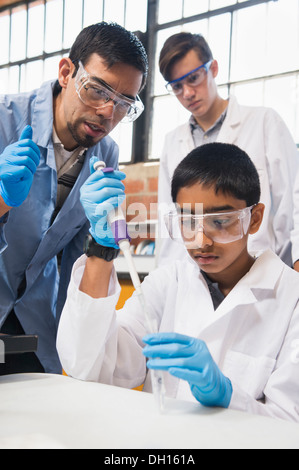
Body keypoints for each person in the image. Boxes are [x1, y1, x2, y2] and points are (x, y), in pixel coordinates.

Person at [57, 143, 299, 423]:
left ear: (254, 219)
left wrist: (228, 396)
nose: (202, 241)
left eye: (220, 221)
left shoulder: (292, 299)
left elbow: (290, 425)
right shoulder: (167, 282)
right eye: (188, 221)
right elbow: (91, 368)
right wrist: (100, 249)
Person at [0, 22, 148, 374]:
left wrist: (76, 346)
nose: (107, 113)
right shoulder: (5, 120)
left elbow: (73, 258)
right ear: (66, 72)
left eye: (124, 104)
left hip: (35, 323)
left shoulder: (105, 154)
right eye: (97, 90)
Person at [157, 32, 299, 271]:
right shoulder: (172, 142)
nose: (187, 93)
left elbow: (294, 199)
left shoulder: (264, 123)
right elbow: (169, 223)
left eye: (193, 78)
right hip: (194, 281)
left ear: (213, 68)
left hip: (260, 274)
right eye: (177, 86)